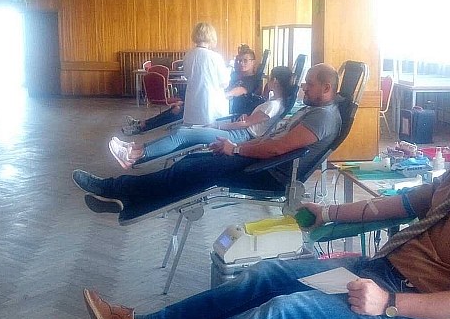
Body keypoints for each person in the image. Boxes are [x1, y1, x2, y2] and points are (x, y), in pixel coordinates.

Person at [61, 88, 450, 319]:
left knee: (286, 313)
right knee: (267, 275)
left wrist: (390, 302)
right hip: (378, 274)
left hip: (418, 316)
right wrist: (329, 214)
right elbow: (402, 204)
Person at [72, 63, 341, 225]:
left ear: (327, 88)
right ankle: (129, 202)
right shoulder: (313, 110)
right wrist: (235, 147)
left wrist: (235, 148)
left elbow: (277, 148)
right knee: (190, 164)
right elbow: (271, 141)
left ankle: (113, 188)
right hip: (256, 161)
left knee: (189, 171)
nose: (303, 88)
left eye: (309, 85)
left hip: (265, 174)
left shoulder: (323, 117)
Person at [108, 66, 292, 169]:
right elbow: (251, 121)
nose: (268, 80)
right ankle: (136, 148)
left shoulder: (273, 105)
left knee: (181, 134)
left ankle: (134, 156)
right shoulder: (275, 103)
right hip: (241, 133)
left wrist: (217, 126)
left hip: (238, 136)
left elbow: (244, 124)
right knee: (183, 131)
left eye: (270, 78)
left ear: (275, 81)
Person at [122, 22, 229, 134]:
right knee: (207, 130)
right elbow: (224, 82)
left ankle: (142, 125)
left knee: (190, 128)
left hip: (193, 99)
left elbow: (187, 76)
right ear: (212, 36)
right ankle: (142, 125)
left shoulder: (188, 55)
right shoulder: (215, 57)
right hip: (211, 102)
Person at [226, 44, 263, 116]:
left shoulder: (255, 79)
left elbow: (241, 90)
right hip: (233, 113)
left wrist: (227, 94)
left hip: (246, 116)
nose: (242, 63)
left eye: (245, 61)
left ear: (253, 62)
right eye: (240, 61)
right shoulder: (235, 76)